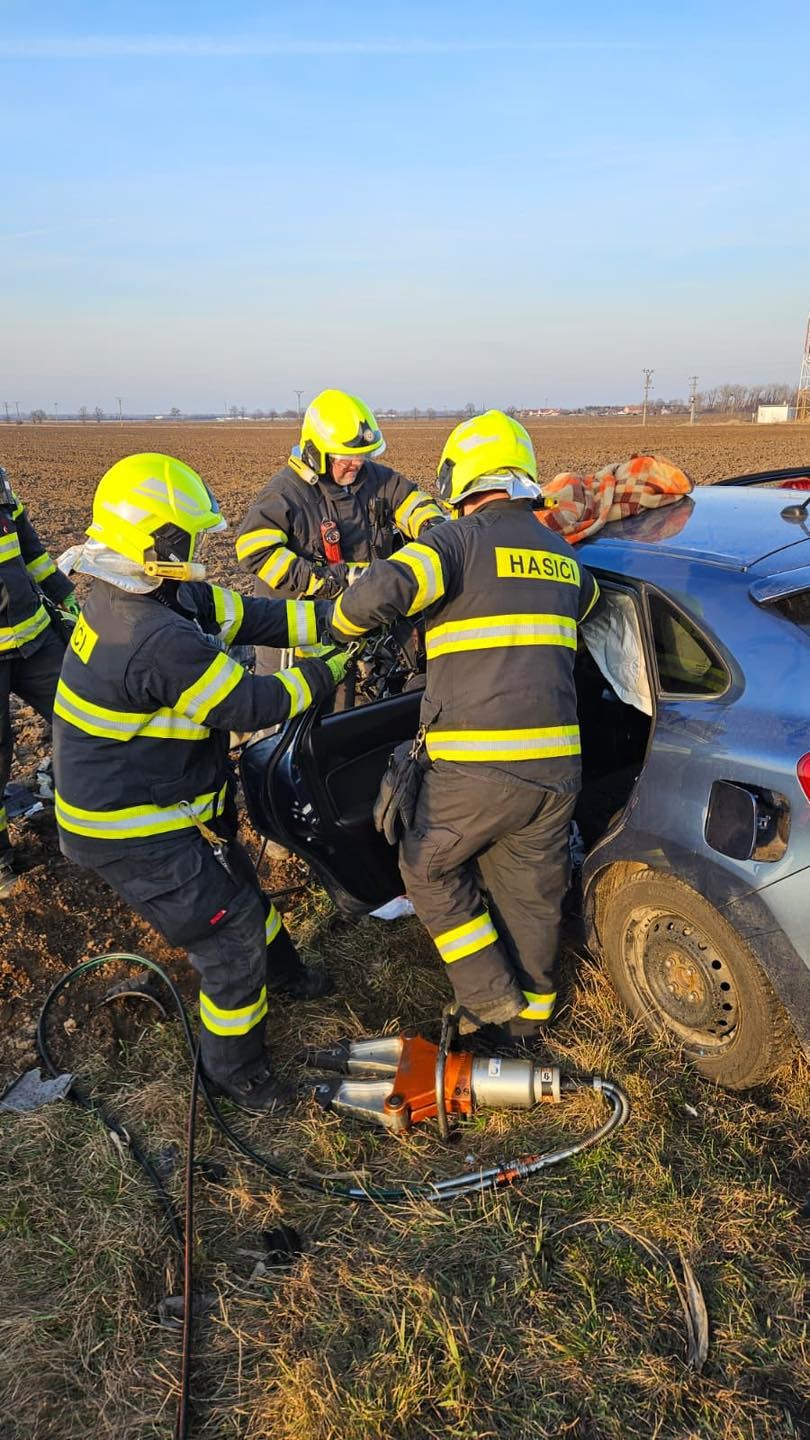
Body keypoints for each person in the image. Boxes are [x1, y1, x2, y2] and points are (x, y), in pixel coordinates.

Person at [52, 453, 354, 1111]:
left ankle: (288, 976)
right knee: (230, 933)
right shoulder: (153, 636)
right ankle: (237, 1072)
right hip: (132, 830)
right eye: (186, 536)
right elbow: (254, 704)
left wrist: (341, 618)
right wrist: (330, 667)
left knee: (238, 889)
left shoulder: (153, 594)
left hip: (164, 802)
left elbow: (253, 617)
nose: (196, 548)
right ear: (153, 541)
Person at [328, 412, 601, 1037]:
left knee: (427, 870)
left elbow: (374, 596)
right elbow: (586, 606)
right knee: (530, 892)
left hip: (477, 765)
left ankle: (489, 997)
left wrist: (340, 630)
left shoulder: (455, 541)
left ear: (463, 477)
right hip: (557, 768)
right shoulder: (562, 554)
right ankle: (530, 1022)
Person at [234, 389, 445, 682]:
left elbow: (413, 502)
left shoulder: (376, 479)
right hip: (299, 644)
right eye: (346, 459)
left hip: (364, 632)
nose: (356, 465)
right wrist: (326, 579)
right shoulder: (286, 492)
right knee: (288, 721)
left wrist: (434, 530)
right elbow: (254, 550)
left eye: (362, 457)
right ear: (315, 452)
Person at [0, 464, 79, 898]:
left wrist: (66, 599)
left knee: (81, 715)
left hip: (34, 638)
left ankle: (91, 813)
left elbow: (32, 551)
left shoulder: (0, 483)